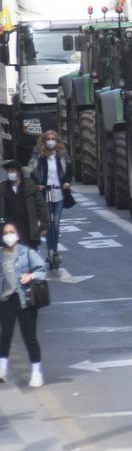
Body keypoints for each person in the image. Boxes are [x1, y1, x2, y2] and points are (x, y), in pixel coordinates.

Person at [0, 222, 48, 387]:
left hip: (25, 299)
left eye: (12, 232)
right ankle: (2, 368)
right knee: (5, 335)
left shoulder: (27, 252)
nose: (9, 235)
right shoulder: (1, 255)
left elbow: (42, 269)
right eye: (6, 232)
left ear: (17, 234)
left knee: (30, 338)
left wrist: (31, 276)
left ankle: (36, 373)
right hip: (6, 300)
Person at [31, 131, 72, 270]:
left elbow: (68, 170)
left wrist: (67, 182)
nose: (51, 141)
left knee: (56, 224)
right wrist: (38, 184)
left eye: (53, 139)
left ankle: (55, 250)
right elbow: (32, 171)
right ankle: (50, 251)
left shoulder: (62, 155)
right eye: (48, 139)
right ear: (44, 141)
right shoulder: (38, 155)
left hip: (59, 193)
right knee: (49, 224)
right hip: (45, 193)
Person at [0, 160, 47, 252]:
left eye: (13, 170)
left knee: (29, 253)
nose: (10, 173)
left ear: (19, 172)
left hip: (28, 226)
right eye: (9, 171)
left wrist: (44, 226)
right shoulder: (3, 188)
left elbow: (41, 206)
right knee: (12, 253)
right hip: (9, 227)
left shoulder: (30, 185)